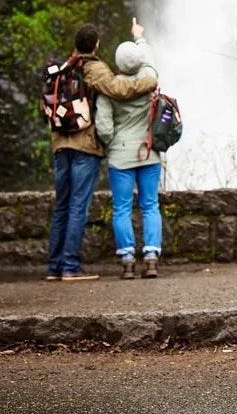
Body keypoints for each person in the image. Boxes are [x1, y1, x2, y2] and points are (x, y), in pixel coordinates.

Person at [46, 23, 158, 281]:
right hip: (84, 146)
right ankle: (71, 267)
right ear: (96, 45)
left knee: (62, 206)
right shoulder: (94, 68)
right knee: (77, 206)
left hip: (61, 144)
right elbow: (118, 90)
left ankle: (54, 267)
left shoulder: (63, 68)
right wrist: (149, 82)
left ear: (76, 44)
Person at [96, 18, 164, 279]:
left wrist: (113, 144)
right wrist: (139, 37)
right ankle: (151, 259)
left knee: (122, 207)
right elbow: (149, 62)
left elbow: (104, 128)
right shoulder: (149, 80)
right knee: (150, 205)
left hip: (121, 156)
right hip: (149, 152)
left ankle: (127, 261)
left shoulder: (108, 90)